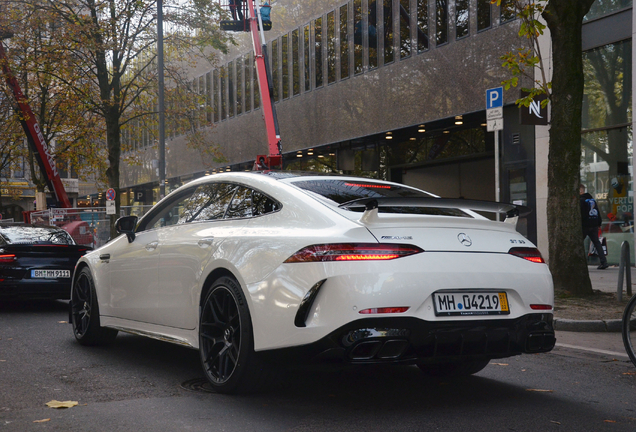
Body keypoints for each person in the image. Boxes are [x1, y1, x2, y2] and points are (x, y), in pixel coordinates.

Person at [580, 184, 608, 269]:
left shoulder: (581, 200)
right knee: (597, 243)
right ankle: (604, 262)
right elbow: (597, 212)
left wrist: (581, 223)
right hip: (594, 224)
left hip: (585, 225)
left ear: (580, 191)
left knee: (578, 243)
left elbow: (582, 214)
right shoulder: (592, 200)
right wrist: (599, 223)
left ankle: (581, 263)